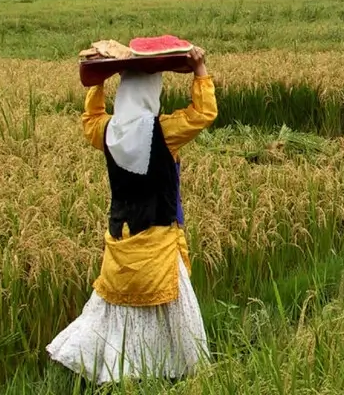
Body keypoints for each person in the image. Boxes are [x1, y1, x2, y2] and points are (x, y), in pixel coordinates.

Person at [47, 46, 218, 385]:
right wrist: (200, 69)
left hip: (121, 242)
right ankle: (172, 372)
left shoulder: (107, 132)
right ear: (151, 94)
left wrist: (97, 81)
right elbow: (203, 114)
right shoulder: (164, 133)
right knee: (171, 316)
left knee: (118, 312)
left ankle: (120, 370)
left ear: (124, 93)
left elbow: (90, 119)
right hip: (158, 247)